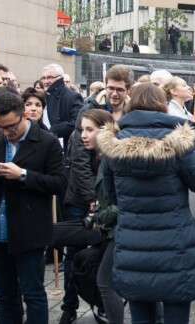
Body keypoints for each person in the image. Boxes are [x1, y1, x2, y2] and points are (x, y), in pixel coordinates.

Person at [98, 83, 195, 324]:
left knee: (140, 316)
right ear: (161, 106)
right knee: (176, 313)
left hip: (133, 243)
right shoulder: (178, 142)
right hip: (175, 243)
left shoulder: (113, 144)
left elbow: (111, 195)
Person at [0, 93, 67, 324]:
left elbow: (59, 183)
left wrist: (23, 175)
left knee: (33, 294)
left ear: (24, 115)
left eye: (10, 127)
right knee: (4, 296)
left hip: (29, 231)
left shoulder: (47, 141)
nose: (5, 132)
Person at [79, 109, 126, 324]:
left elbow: (124, 200)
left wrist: (101, 216)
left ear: (105, 130)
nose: (84, 135)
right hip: (117, 230)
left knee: (106, 282)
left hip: (121, 230)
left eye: (90, 129)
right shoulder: (104, 156)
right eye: (82, 130)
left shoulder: (113, 157)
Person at [41, 64, 84, 151]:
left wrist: (54, 130)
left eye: (49, 77)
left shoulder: (72, 96)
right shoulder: (42, 97)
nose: (46, 81)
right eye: (43, 78)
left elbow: (78, 122)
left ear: (60, 78)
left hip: (65, 147)